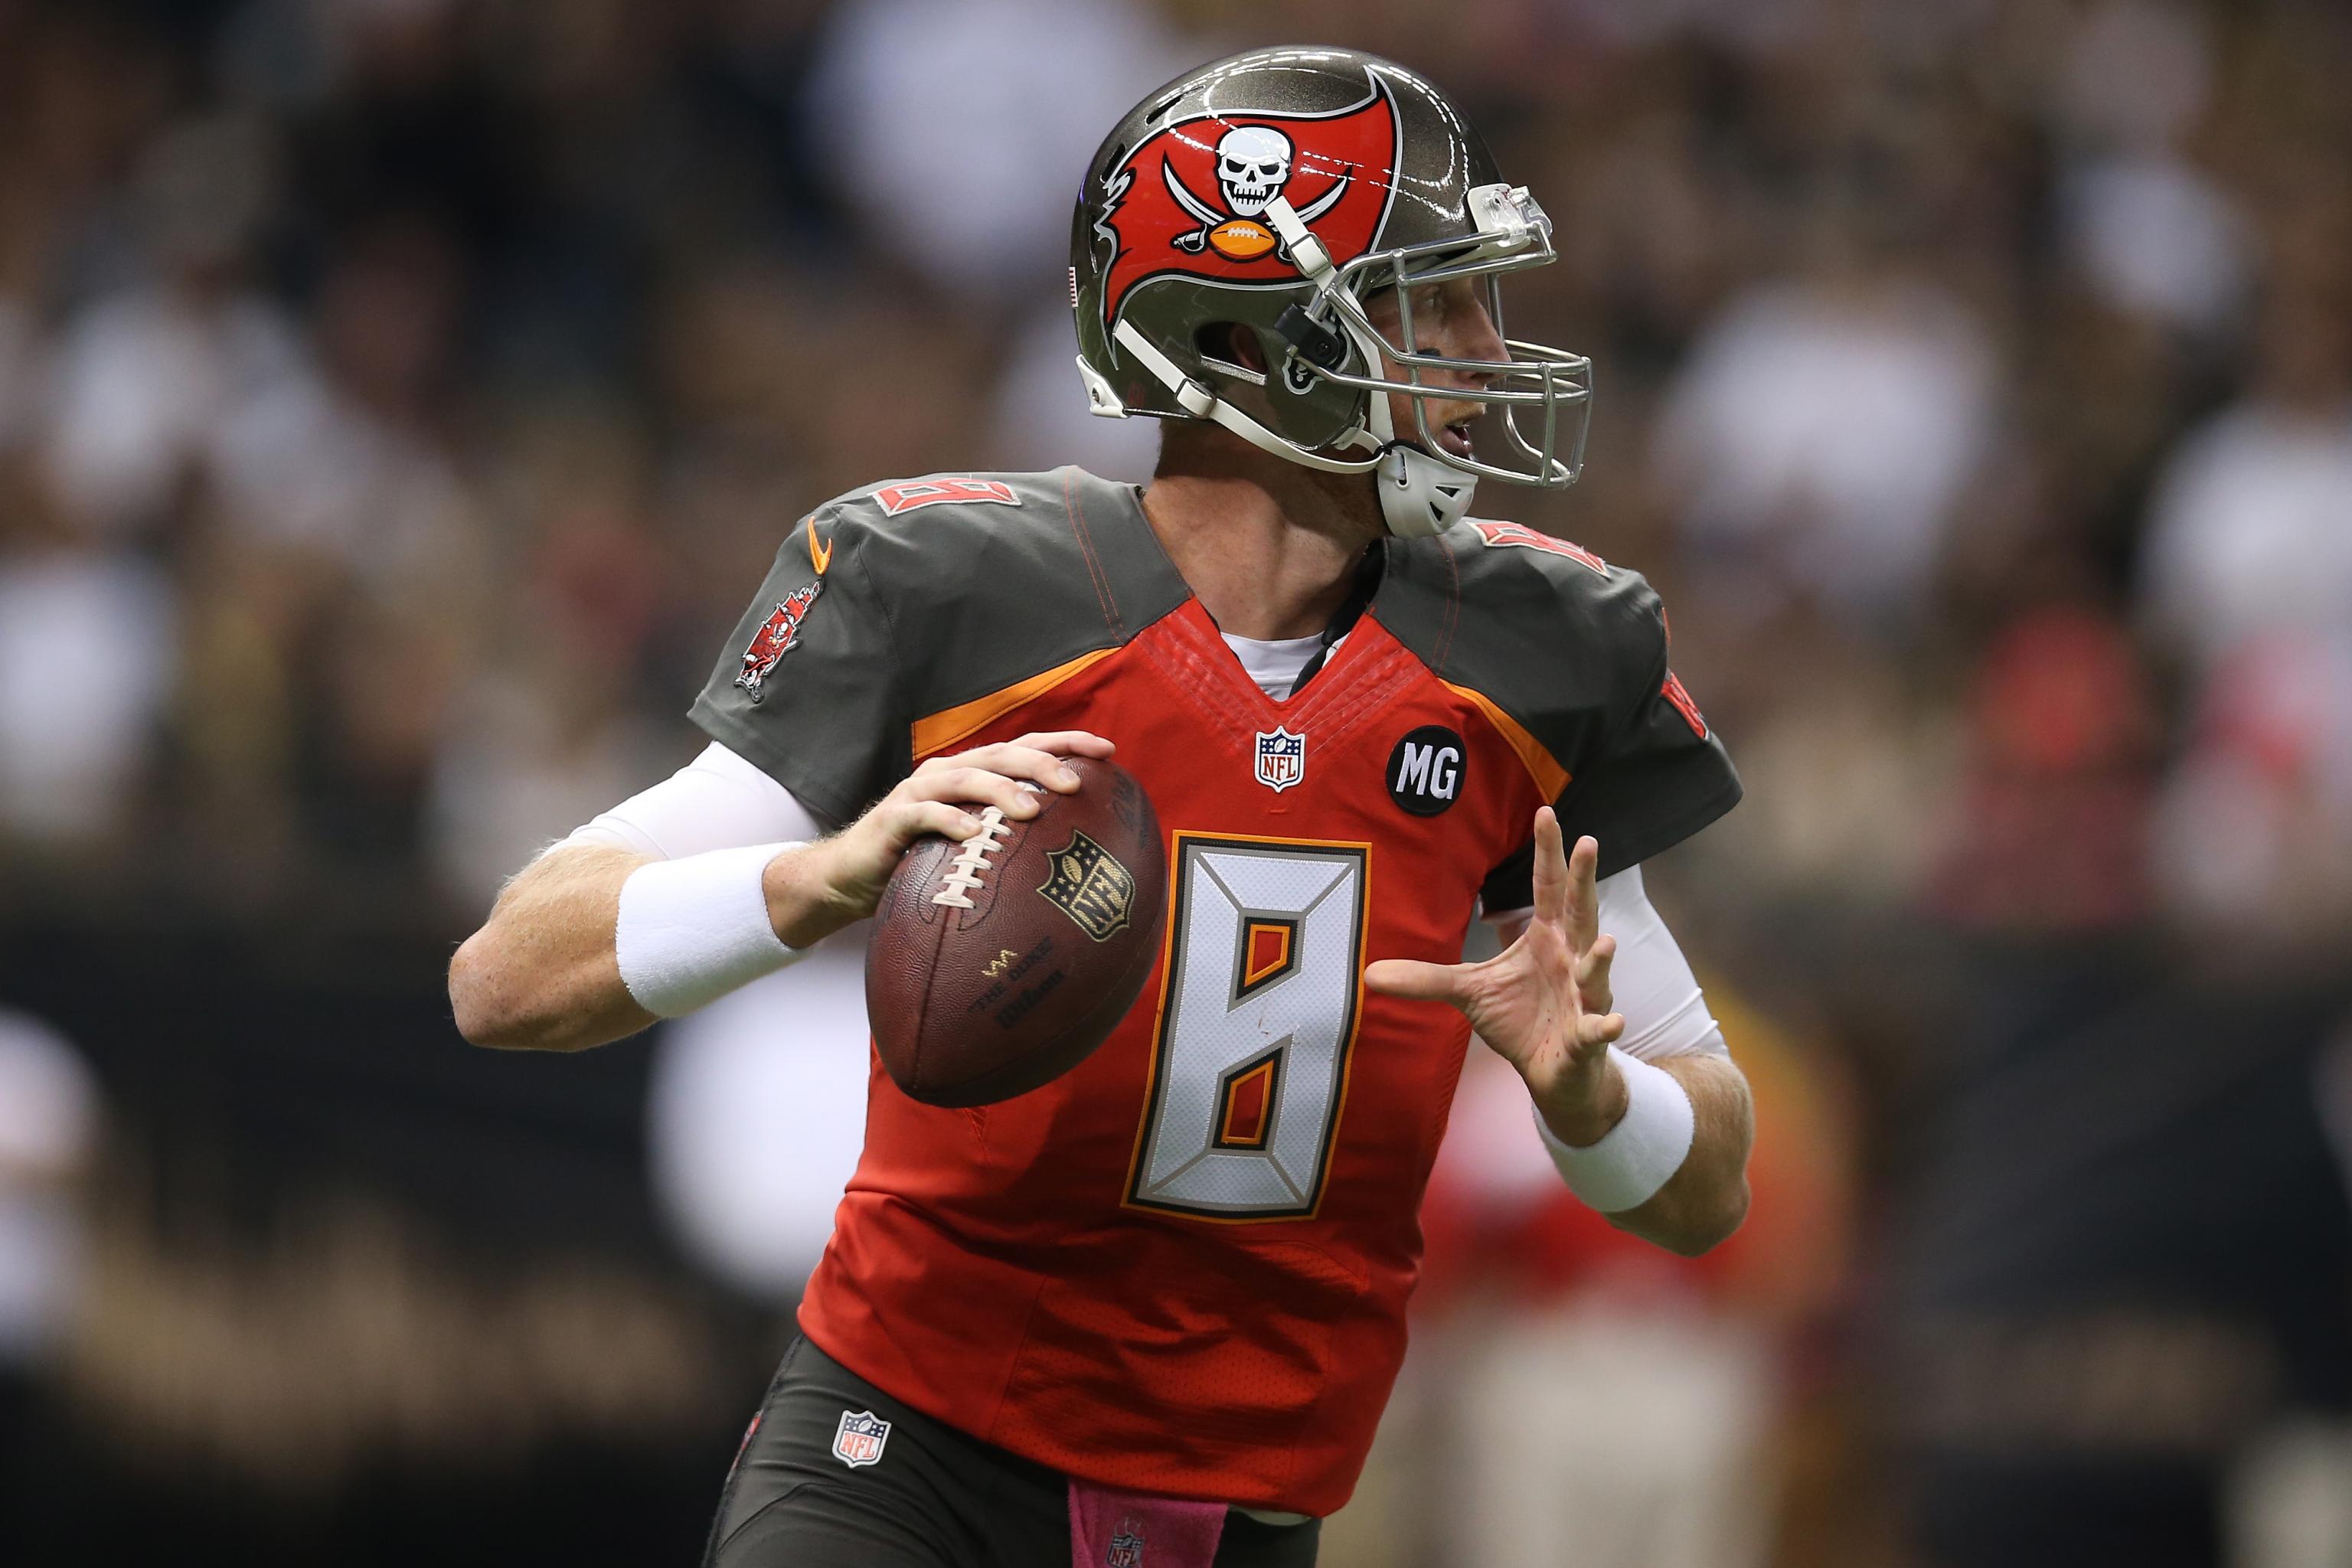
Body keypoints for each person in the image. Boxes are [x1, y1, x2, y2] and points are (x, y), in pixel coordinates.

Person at [449, 45, 1754, 1568]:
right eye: (1426, 299)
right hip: (902, 1455)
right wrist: (817, 877)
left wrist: (1588, 1104)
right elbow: (506, 976)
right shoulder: (958, 591)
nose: (1480, 348)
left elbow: (1709, 1181)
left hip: (1241, 1513)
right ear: (1250, 336)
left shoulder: (1538, 653)